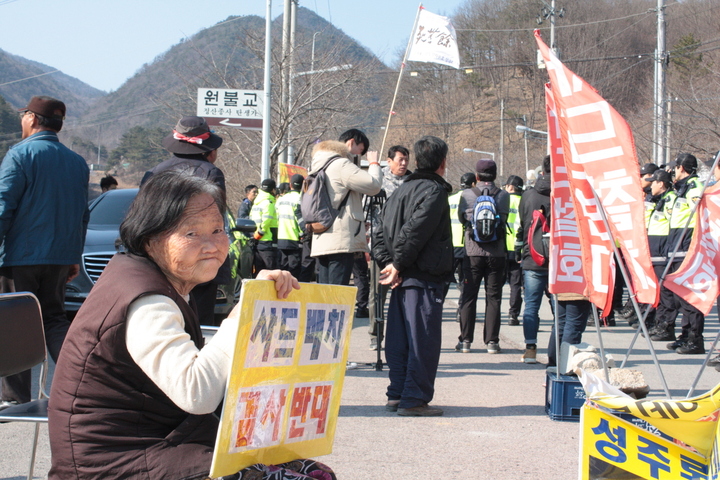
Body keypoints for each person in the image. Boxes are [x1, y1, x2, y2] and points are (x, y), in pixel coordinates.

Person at [47, 170, 335, 480]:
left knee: (312, 471)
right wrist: (245, 315)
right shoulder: (146, 301)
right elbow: (196, 393)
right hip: (110, 463)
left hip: (153, 441)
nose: (212, 245)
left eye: (217, 230)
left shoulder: (157, 279)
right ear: (150, 238)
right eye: (191, 234)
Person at [0, 96, 89, 409]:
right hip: (59, 259)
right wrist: (73, 258)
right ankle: (79, 384)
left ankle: (14, 398)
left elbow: (2, 206)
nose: (23, 119)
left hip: (19, 257)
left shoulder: (20, 155)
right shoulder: (76, 162)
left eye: (24, 115)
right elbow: (82, 215)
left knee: (13, 322)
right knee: (53, 319)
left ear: (32, 119)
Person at [372, 135, 453, 417]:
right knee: (422, 340)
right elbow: (416, 230)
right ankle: (413, 398)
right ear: (443, 163)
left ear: (417, 161)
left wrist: (390, 264)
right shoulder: (434, 192)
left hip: (401, 276)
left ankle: (397, 394)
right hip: (421, 276)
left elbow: (379, 232)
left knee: (400, 339)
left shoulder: (399, 190)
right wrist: (397, 265)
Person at [141, 116, 230, 326]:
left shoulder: (155, 172)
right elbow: (216, 217)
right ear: (209, 150)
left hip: (161, 255)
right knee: (198, 319)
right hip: (198, 252)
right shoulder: (211, 172)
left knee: (162, 315)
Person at [649, 153, 706, 354]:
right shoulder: (681, 189)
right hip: (675, 247)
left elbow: (700, 215)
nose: (672, 171)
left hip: (686, 248)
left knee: (688, 297)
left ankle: (695, 339)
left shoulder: (694, 188)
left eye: (675, 168)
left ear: (682, 168)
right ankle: (685, 335)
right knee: (679, 297)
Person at [309, 129, 381, 286]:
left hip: (322, 236)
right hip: (339, 240)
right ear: (351, 142)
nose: (359, 156)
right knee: (336, 295)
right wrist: (374, 164)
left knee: (325, 294)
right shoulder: (341, 164)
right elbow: (373, 186)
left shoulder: (319, 164)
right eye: (360, 150)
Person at [456, 158, 509, 354]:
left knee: (469, 296)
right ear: (495, 175)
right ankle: (492, 342)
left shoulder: (467, 195)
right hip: (497, 253)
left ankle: (465, 341)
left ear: (476, 176)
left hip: (472, 253)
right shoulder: (504, 195)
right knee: (493, 297)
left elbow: (462, 219)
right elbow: (503, 220)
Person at [368, 145, 411, 349]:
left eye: (406, 160)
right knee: (377, 294)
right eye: (400, 159)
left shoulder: (412, 182)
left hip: (406, 246)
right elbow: (367, 214)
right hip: (381, 245)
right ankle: (376, 336)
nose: (403, 163)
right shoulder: (377, 181)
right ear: (389, 160)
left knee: (406, 294)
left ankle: (403, 337)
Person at [516, 155, 552, 364]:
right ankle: (558, 351)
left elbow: (522, 224)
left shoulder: (528, 196)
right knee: (559, 308)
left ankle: (530, 349)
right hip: (559, 260)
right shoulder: (564, 196)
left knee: (531, 306)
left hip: (532, 257)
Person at [447, 172, 475, 322]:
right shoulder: (472, 199)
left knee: (444, 279)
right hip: (466, 244)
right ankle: (461, 311)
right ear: (473, 184)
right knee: (465, 281)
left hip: (450, 245)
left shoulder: (449, 198)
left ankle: (436, 307)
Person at [547, 294, 591, 368]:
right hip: (579, 290)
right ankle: (566, 364)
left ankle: (554, 363)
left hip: (560, 288)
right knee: (573, 325)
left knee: (560, 324)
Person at [503, 174, 524, 326]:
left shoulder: (502, 199)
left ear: (510, 187)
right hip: (519, 248)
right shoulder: (524, 201)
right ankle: (513, 315)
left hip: (501, 247)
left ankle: (495, 313)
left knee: (495, 283)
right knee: (516, 284)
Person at [276, 174, 305, 278]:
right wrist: (303, 234)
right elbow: (300, 219)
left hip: (281, 237)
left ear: (290, 185)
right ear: (302, 185)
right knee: (294, 268)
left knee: (283, 268)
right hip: (295, 237)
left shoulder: (280, 200)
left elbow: (277, 217)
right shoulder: (301, 199)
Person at [251, 178, 279, 272]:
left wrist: (256, 234)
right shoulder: (268, 202)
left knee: (259, 269)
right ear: (272, 189)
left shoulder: (256, 202)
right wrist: (260, 232)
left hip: (257, 240)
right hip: (267, 239)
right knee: (270, 269)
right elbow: (266, 220)